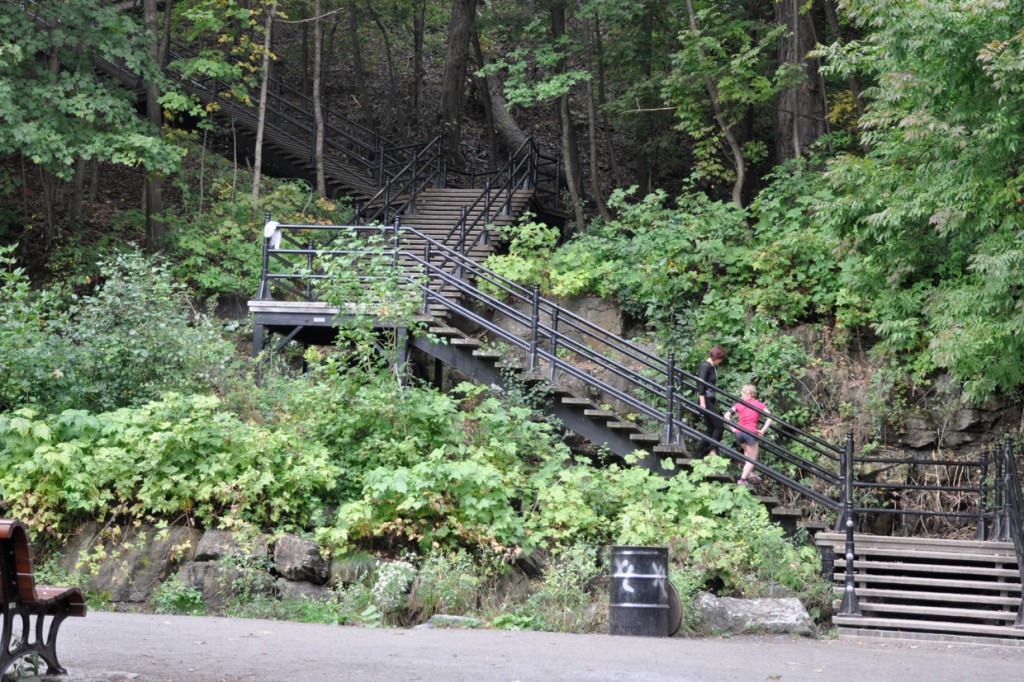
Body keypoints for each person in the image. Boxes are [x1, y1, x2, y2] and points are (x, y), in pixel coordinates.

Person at [724, 384, 773, 486]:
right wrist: (763, 430)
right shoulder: (759, 404)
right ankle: (742, 480)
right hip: (750, 433)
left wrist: (733, 428)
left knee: (747, 452)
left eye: (742, 392)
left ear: (746, 393)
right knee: (752, 459)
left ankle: (750, 472)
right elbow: (770, 416)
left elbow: (726, 415)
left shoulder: (738, 404)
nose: (741, 395)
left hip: (739, 433)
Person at [692, 345, 727, 459]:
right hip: (705, 400)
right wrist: (702, 403)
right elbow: (700, 384)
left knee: (711, 428)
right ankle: (712, 451)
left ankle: (698, 455)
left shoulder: (711, 367)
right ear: (717, 357)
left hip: (709, 400)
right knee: (719, 426)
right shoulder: (705, 366)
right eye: (721, 359)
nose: (721, 362)